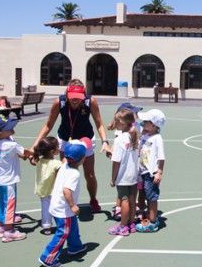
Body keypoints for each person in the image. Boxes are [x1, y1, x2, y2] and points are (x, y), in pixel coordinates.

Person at [30, 79, 110, 213]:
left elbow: (99, 123)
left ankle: (93, 199)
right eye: (72, 97)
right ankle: (67, 202)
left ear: (83, 95)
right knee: (64, 173)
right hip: (65, 139)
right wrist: (35, 145)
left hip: (86, 140)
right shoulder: (59, 103)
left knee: (89, 174)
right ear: (67, 94)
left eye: (78, 97)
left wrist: (105, 142)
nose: (75, 100)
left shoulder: (91, 102)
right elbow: (48, 125)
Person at [38, 140, 89, 267]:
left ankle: (75, 247)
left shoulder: (64, 164)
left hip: (56, 205)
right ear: (82, 159)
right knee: (62, 233)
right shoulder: (75, 174)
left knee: (72, 227)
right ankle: (47, 257)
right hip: (64, 209)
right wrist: (73, 206)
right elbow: (67, 191)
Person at [0, 116, 32, 243]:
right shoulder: (12, 145)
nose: (12, 128)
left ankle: (1, 227)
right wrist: (35, 152)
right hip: (9, 181)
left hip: (0, 179)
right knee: (10, 205)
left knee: (2, 204)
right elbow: (26, 153)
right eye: (9, 127)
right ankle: (9, 231)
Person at [106, 102, 144, 221]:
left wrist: (113, 178)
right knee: (132, 199)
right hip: (134, 171)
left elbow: (116, 160)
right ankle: (131, 223)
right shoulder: (134, 134)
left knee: (124, 199)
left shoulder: (122, 137)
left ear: (121, 122)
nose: (136, 114)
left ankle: (123, 225)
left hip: (123, 173)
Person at [135, 109, 166, 233]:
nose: (143, 122)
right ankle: (146, 214)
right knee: (143, 194)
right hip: (142, 172)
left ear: (154, 125)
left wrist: (159, 172)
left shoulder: (157, 138)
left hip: (151, 173)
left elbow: (161, 157)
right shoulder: (144, 135)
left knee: (151, 196)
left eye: (146, 121)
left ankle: (152, 222)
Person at [34, 137, 62, 234]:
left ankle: (46, 227)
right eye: (58, 147)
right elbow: (60, 177)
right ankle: (61, 224)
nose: (59, 148)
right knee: (57, 207)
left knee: (45, 208)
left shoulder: (39, 160)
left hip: (42, 189)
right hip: (53, 190)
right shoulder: (57, 163)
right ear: (52, 151)